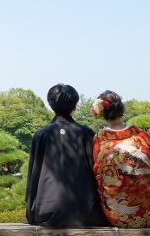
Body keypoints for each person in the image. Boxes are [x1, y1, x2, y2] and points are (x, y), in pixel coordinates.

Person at [91, 90, 150, 228]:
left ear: (102, 115)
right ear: (121, 109)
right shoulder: (143, 138)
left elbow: (97, 178)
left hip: (118, 216)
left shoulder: (99, 143)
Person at [25, 83, 108, 226]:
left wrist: (31, 210)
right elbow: (97, 172)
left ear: (51, 105)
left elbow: (34, 175)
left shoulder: (41, 134)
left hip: (46, 213)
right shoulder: (86, 133)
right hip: (86, 213)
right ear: (74, 106)